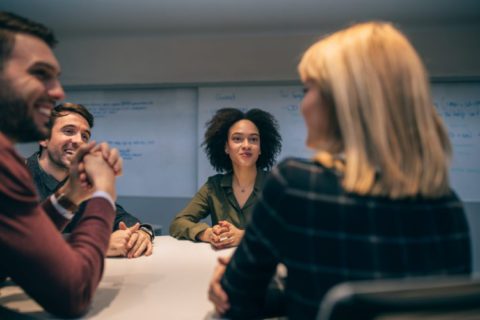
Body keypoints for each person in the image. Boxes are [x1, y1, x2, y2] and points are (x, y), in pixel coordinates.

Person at [208, 22, 472, 319]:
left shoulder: (296, 185)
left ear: (344, 101)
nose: (303, 105)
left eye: (308, 89)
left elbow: (236, 301)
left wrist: (234, 282)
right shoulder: (447, 207)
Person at [0, 11, 122, 317]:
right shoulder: (8, 167)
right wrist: (103, 191)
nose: (57, 91)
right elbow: (73, 293)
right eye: (40, 73)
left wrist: (71, 193)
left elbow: (13, 254)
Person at [26, 102, 154, 258]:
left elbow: (120, 217)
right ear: (44, 138)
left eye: (84, 136)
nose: (79, 141)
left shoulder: (82, 181)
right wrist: (96, 244)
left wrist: (142, 232)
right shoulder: (13, 177)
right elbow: (16, 243)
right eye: (68, 131)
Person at [169, 108, 281, 249]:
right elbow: (178, 223)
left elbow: (295, 229)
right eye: (237, 139)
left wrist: (245, 236)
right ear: (226, 147)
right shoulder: (213, 187)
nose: (246, 145)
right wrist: (206, 233)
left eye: (253, 139)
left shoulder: (277, 184)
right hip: (222, 265)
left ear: (260, 148)